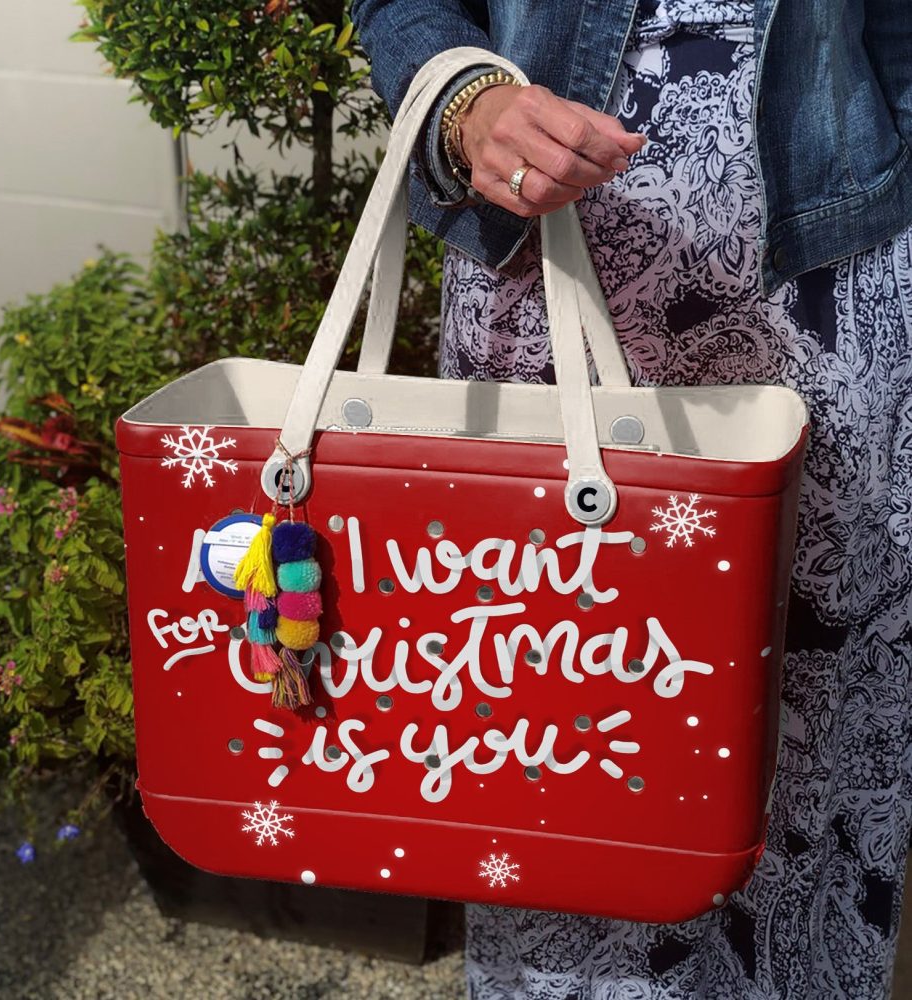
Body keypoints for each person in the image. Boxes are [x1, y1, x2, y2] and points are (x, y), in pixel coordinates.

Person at [350, 1, 912, 997]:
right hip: (543, 279)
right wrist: (467, 108)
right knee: (551, 739)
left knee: (813, 742)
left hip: (832, 288)